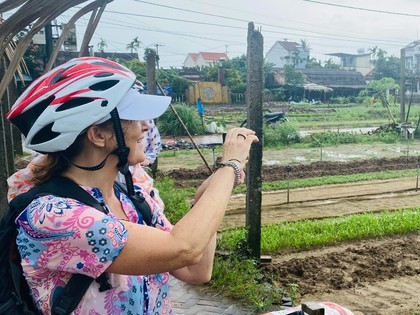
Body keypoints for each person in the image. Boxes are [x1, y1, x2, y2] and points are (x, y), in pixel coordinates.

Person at [5, 57, 258, 314]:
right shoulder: (53, 216)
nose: (147, 125)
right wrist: (231, 165)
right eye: (135, 117)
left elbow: (196, 270)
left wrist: (205, 196)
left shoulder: (131, 198)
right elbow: (184, 248)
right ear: (98, 135)